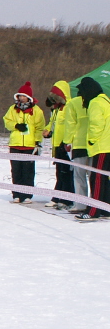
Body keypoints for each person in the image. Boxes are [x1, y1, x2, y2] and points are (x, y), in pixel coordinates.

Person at [74, 77, 110, 221]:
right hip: (107, 146)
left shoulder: (95, 102)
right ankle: (105, 208)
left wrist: (91, 140)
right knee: (105, 179)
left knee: (97, 178)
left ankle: (93, 210)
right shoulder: (106, 100)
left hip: (102, 146)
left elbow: (96, 124)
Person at [2, 81, 45, 203]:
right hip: (15, 144)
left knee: (28, 171)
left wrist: (37, 142)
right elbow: (7, 121)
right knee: (16, 170)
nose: (21, 98)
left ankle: (27, 195)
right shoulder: (12, 109)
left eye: (24, 96)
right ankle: (16, 193)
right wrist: (16, 125)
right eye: (19, 96)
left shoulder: (37, 111)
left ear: (29, 97)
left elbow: (39, 127)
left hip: (29, 145)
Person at [42, 81, 75, 210]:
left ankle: (67, 199)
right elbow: (52, 123)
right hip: (57, 144)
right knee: (59, 172)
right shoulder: (56, 109)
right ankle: (58, 196)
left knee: (66, 172)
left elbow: (70, 125)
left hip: (66, 144)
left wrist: (68, 141)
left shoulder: (69, 108)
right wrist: (47, 130)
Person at [64, 80, 91, 213]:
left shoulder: (73, 103)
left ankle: (80, 204)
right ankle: (95, 204)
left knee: (79, 176)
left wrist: (67, 141)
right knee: (94, 176)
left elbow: (70, 124)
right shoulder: (96, 101)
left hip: (79, 144)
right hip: (94, 144)